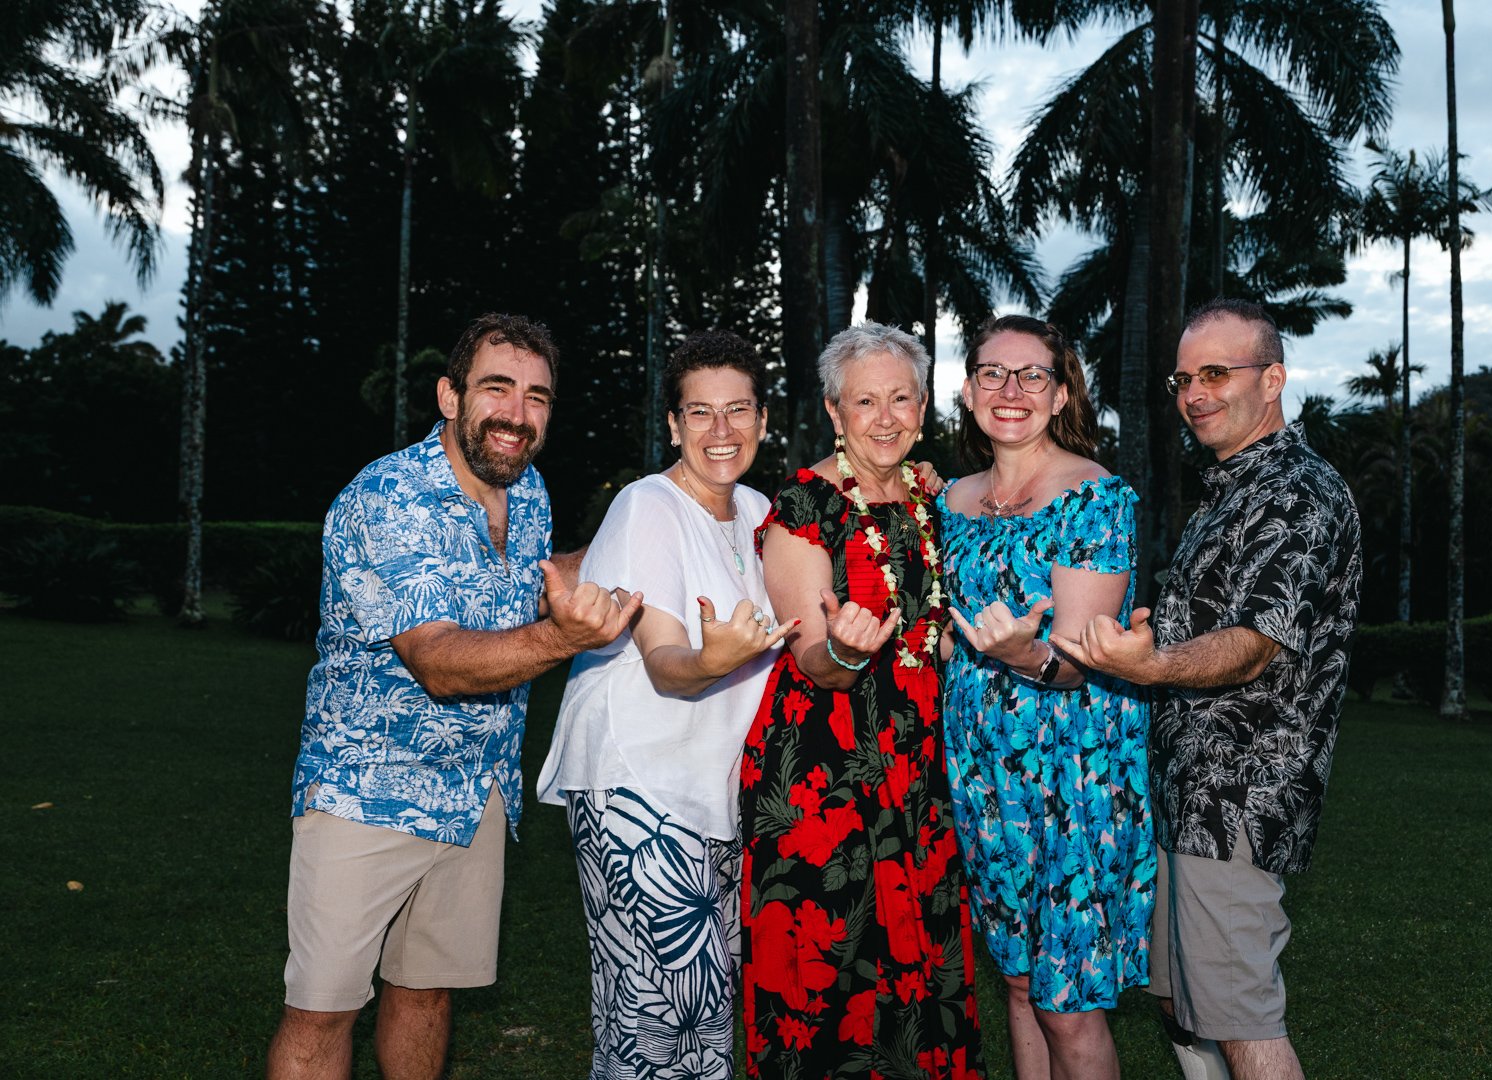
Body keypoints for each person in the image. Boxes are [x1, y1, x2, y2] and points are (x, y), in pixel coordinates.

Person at [267, 313, 640, 1080]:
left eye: (537, 396)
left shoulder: (526, 488)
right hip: (366, 792)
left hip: (476, 792)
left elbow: (541, 582)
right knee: (322, 1009)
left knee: (428, 994)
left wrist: (659, 525)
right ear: (449, 395)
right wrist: (565, 639)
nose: (516, 413)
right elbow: (437, 661)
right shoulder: (388, 499)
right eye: (496, 388)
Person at [1062, 299, 1362, 1080]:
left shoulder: (1295, 492)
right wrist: (1141, 640)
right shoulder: (1228, 490)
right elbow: (1203, 625)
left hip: (1238, 796)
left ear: (1273, 380)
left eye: (1216, 373)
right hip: (1185, 790)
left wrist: (1151, 667)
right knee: (1179, 1000)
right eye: (1184, 378)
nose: (1194, 393)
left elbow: (1255, 643)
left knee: (1238, 1013)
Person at [534, 330, 797, 1079]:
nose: (722, 432)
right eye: (700, 413)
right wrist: (710, 661)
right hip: (637, 785)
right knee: (666, 1017)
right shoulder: (646, 505)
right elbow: (666, 663)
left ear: (762, 420)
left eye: (737, 411)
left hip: (711, 789)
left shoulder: (757, 512)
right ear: (674, 426)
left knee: (696, 1018)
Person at [739, 323, 984, 1079]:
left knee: (918, 969)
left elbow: (934, 622)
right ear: (834, 412)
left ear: (922, 406)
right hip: (828, 772)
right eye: (864, 401)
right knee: (829, 973)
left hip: (914, 768)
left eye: (900, 398)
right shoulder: (802, 507)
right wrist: (846, 646)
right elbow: (813, 658)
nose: (884, 417)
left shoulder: (925, 495)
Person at [940, 315, 1153, 1080]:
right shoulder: (952, 500)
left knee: (1068, 1003)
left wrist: (1018, 654)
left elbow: (1082, 660)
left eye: (1033, 375)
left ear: (1060, 395)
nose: (1011, 390)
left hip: (1072, 772)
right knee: (1023, 981)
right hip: (983, 774)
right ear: (967, 392)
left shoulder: (1092, 497)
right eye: (992, 373)